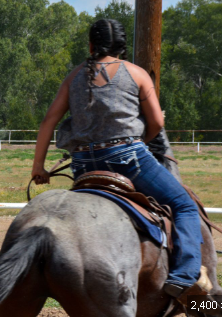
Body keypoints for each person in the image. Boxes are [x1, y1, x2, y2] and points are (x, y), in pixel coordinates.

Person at [30, 19, 206, 302]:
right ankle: (185, 276)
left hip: (84, 164)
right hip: (129, 158)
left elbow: (48, 122)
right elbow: (157, 122)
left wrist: (38, 167)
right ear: (122, 47)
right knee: (184, 205)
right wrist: (141, 143)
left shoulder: (74, 77)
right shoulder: (136, 73)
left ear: (90, 45)